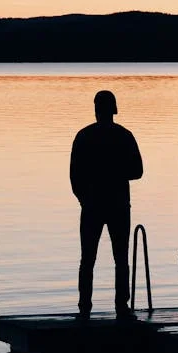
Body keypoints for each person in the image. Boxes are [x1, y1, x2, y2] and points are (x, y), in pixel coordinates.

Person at [70, 90, 143, 320]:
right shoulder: (125, 136)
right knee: (120, 257)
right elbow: (138, 171)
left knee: (88, 259)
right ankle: (122, 306)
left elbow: (74, 175)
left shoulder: (83, 136)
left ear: (96, 110)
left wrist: (84, 198)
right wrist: (117, 173)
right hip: (118, 205)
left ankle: (84, 308)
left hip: (92, 205)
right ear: (114, 109)